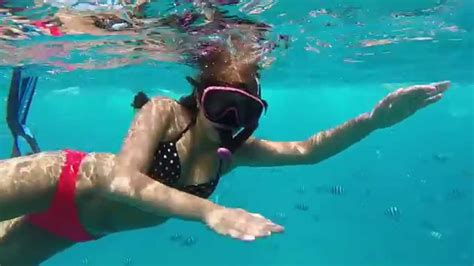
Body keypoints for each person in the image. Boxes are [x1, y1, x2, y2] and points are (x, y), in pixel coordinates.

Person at [0, 42, 450, 265]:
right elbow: (122, 181)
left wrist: (374, 120)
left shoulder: (232, 152)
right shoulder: (164, 112)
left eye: (244, 110)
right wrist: (209, 213)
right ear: (199, 98)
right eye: (220, 104)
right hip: (58, 178)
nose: (228, 118)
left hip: (79, 228)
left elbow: (309, 151)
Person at [6, 66, 41, 157]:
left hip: (22, 139)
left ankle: (21, 74)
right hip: (24, 141)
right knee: (13, 120)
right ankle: (27, 74)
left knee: (11, 120)